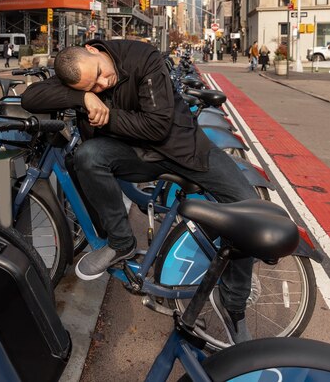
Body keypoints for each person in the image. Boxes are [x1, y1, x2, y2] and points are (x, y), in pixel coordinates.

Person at [21, 40, 257, 343]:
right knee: (86, 157)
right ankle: (121, 243)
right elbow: (31, 97)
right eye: (92, 85)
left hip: (184, 150)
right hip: (135, 155)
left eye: (100, 75)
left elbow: (157, 127)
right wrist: (82, 98)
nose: (102, 84)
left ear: (95, 51)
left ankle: (233, 305)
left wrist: (103, 111)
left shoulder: (142, 57)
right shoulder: (79, 70)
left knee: (249, 210)